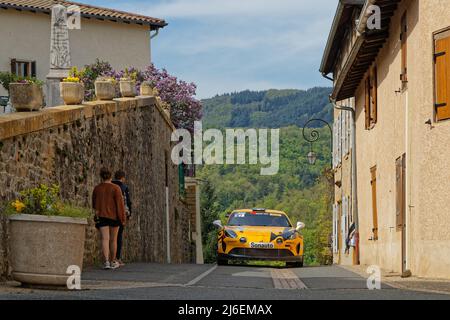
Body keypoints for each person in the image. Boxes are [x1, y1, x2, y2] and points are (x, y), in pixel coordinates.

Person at [92, 168, 126, 270]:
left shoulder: (97, 188)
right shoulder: (116, 188)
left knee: (105, 239)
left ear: (101, 177)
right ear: (111, 176)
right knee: (113, 239)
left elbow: (94, 203)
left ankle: (106, 261)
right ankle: (113, 261)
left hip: (102, 216)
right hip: (114, 217)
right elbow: (120, 205)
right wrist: (122, 218)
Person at [112, 170, 132, 266]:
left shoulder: (110, 185)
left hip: (110, 213)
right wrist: (129, 214)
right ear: (122, 178)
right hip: (121, 214)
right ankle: (117, 258)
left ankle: (110, 258)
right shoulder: (124, 187)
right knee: (118, 236)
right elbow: (127, 202)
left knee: (109, 237)